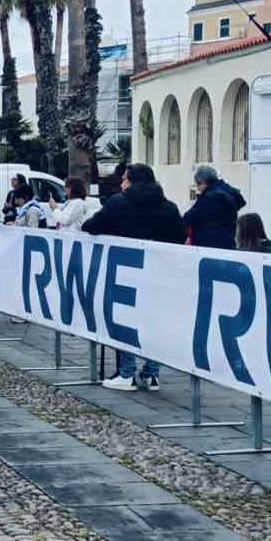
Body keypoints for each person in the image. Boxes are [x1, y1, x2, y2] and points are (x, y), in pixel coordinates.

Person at [84, 163, 183, 391]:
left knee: (125, 321)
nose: (121, 183)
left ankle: (126, 373)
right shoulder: (169, 207)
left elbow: (92, 226)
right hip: (160, 273)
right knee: (154, 323)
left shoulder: (118, 203)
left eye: (124, 179)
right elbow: (179, 236)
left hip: (125, 271)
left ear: (131, 181)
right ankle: (151, 374)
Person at [183, 165, 246, 249]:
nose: (198, 188)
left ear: (203, 182)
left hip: (208, 245)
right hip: (228, 244)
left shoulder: (209, 197)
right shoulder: (228, 192)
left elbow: (188, 218)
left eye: (198, 184)